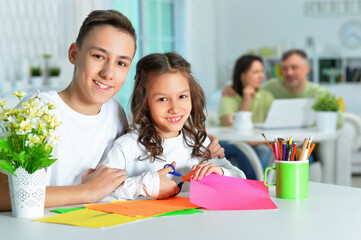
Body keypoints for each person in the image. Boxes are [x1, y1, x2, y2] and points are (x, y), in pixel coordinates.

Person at [0, 10, 224, 211]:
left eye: (121, 63)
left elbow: (141, 151)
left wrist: (201, 143)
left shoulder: (114, 112)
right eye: (98, 56)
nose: (108, 73)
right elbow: (3, 195)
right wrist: (88, 191)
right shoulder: (37, 110)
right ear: (74, 54)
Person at [101, 52, 246, 200]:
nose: (175, 108)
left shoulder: (200, 142)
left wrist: (220, 172)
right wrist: (148, 184)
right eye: (162, 99)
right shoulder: (127, 146)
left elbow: (241, 181)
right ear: (144, 102)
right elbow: (102, 190)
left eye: (182, 96)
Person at [219, 55, 273, 180]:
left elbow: (272, 126)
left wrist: (255, 141)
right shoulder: (229, 96)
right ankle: (256, 187)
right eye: (255, 72)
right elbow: (229, 126)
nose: (261, 76)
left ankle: (257, 186)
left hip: (258, 142)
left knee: (263, 151)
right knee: (243, 152)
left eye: (262, 71)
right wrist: (246, 101)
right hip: (232, 142)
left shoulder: (267, 96)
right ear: (242, 75)